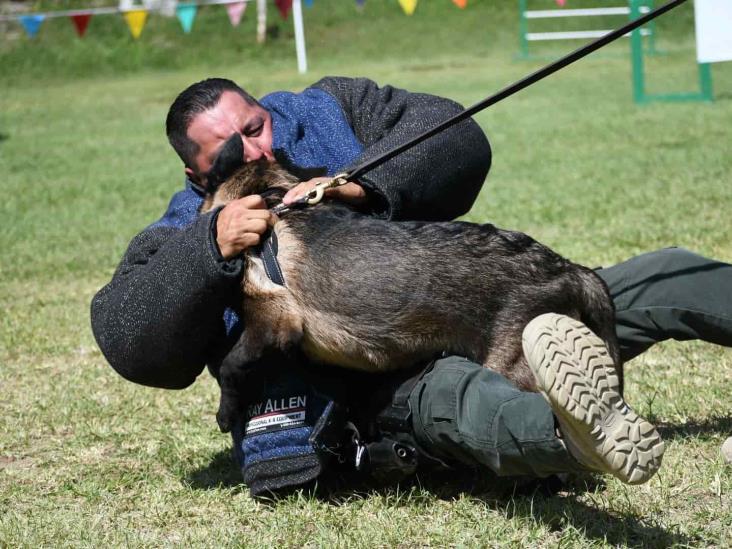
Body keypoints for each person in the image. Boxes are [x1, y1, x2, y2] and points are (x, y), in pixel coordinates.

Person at [91, 77, 732, 495]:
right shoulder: (186, 221)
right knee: (472, 397)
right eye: (225, 153)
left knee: (648, 276)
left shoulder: (327, 111)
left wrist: (357, 184)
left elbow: (455, 131)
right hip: (376, 382)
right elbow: (128, 334)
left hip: (465, 298)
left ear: (265, 108)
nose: (255, 153)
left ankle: (571, 375)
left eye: (256, 126)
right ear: (196, 173)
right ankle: (575, 435)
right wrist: (211, 247)